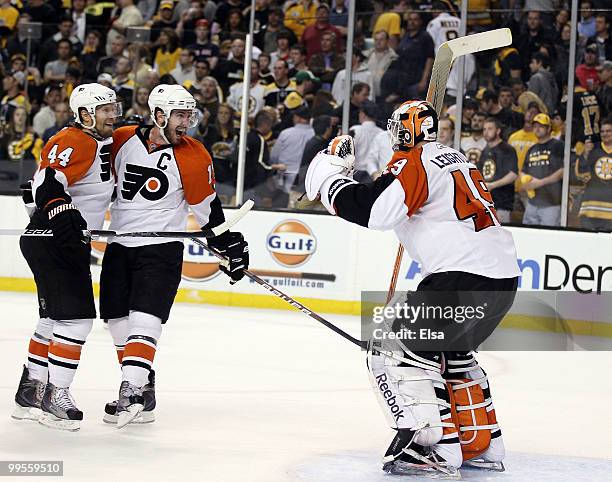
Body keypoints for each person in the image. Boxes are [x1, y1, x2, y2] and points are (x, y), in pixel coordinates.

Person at [305, 100, 519, 477]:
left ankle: (432, 447)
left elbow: (375, 211)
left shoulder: (414, 159)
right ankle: (479, 443)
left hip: (460, 277)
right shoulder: (457, 158)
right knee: (452, 356)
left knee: (391, 348)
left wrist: (330, 182)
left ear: (404, 131)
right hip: (501, 280)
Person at [100, 85, 249, 427]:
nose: (187, 122)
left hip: (162, 248)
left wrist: (227, 244)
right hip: (120, 245)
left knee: (145, 319)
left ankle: (132, 390)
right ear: (159, 114)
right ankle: (143, 383)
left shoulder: (194, 154)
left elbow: (207, 211)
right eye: (180, 114)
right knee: (117, 323)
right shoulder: (121, 139)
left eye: (188, 115)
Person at [13, 84, 122, 430]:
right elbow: (46, 180)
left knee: (53, 321)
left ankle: (30, 393)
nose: (112, 114)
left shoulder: (99, 141)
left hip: (53, 238)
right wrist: (61, 210)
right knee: (76, 321)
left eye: (113, 108)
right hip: (54, 239)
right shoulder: (76, 139)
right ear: (85, 114)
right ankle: (54, 398)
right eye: (104, 109)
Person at [520, 113, 564, 226]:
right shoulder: (531, 149)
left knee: (551, 238)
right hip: (532, 203)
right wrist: (525, 181)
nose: (537, 129)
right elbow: (523, 170)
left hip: (551, 203)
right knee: (529, 235)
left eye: (541, 126)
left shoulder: (558, 145)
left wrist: (539, 183)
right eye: (535, 126)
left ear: (549, 128)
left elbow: (563, 171)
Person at [479, 118, 519, 223]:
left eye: (490, 129)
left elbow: (513, 175)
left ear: (498, 131)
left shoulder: (507, 149)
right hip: (486, 203)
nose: (486, 132)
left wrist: (492, 185)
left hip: (502, 203)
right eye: (484, 129)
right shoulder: (485, 150)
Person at [577, 117, 612, 231]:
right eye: (602, 131)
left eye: (608, 131)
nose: (605, 134)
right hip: (590, 209)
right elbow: (582, 176)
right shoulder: (593, 149)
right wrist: (585, 154)